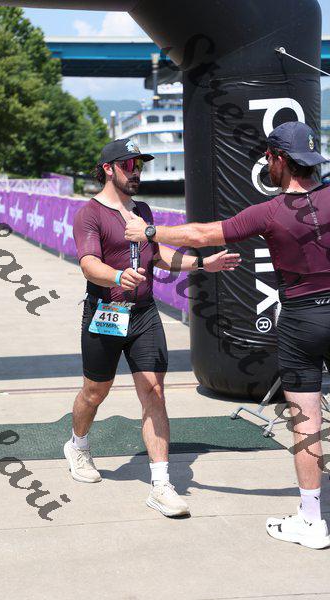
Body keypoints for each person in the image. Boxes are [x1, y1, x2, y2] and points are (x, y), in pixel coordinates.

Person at [125, 121, 330, 546]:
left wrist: (149, 231)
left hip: (302, 321)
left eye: (269, 158)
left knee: (307, 422)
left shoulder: (269, 212)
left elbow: (201, 234)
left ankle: (312, 521)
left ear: (278, 159)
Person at [64, 137, 241, 517]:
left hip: (144, 314)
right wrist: (116, 275)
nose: (137, 172)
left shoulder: (142, 211)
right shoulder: (89, 214)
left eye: (140, 165)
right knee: (95, 393)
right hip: (106, 312)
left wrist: (201, 264)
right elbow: (88, 264)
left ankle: (161, 484)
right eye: (129, 165)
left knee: (154, 392)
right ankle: (78, 445)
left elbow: (158, 254)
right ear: (108, 169)